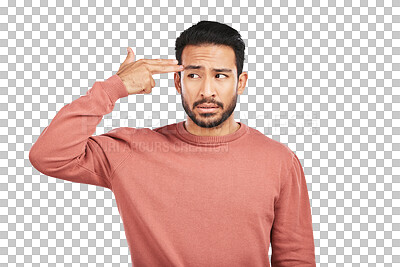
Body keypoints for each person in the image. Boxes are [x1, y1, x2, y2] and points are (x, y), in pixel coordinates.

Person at [29, 20, 316, 267]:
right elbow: (49, 155)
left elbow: (295, 258)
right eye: (193, 75)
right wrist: (113, 88)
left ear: (240, 83)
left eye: (220, 76)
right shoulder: (132, 151)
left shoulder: (279, 160)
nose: (206, 90)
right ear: (177, 83)